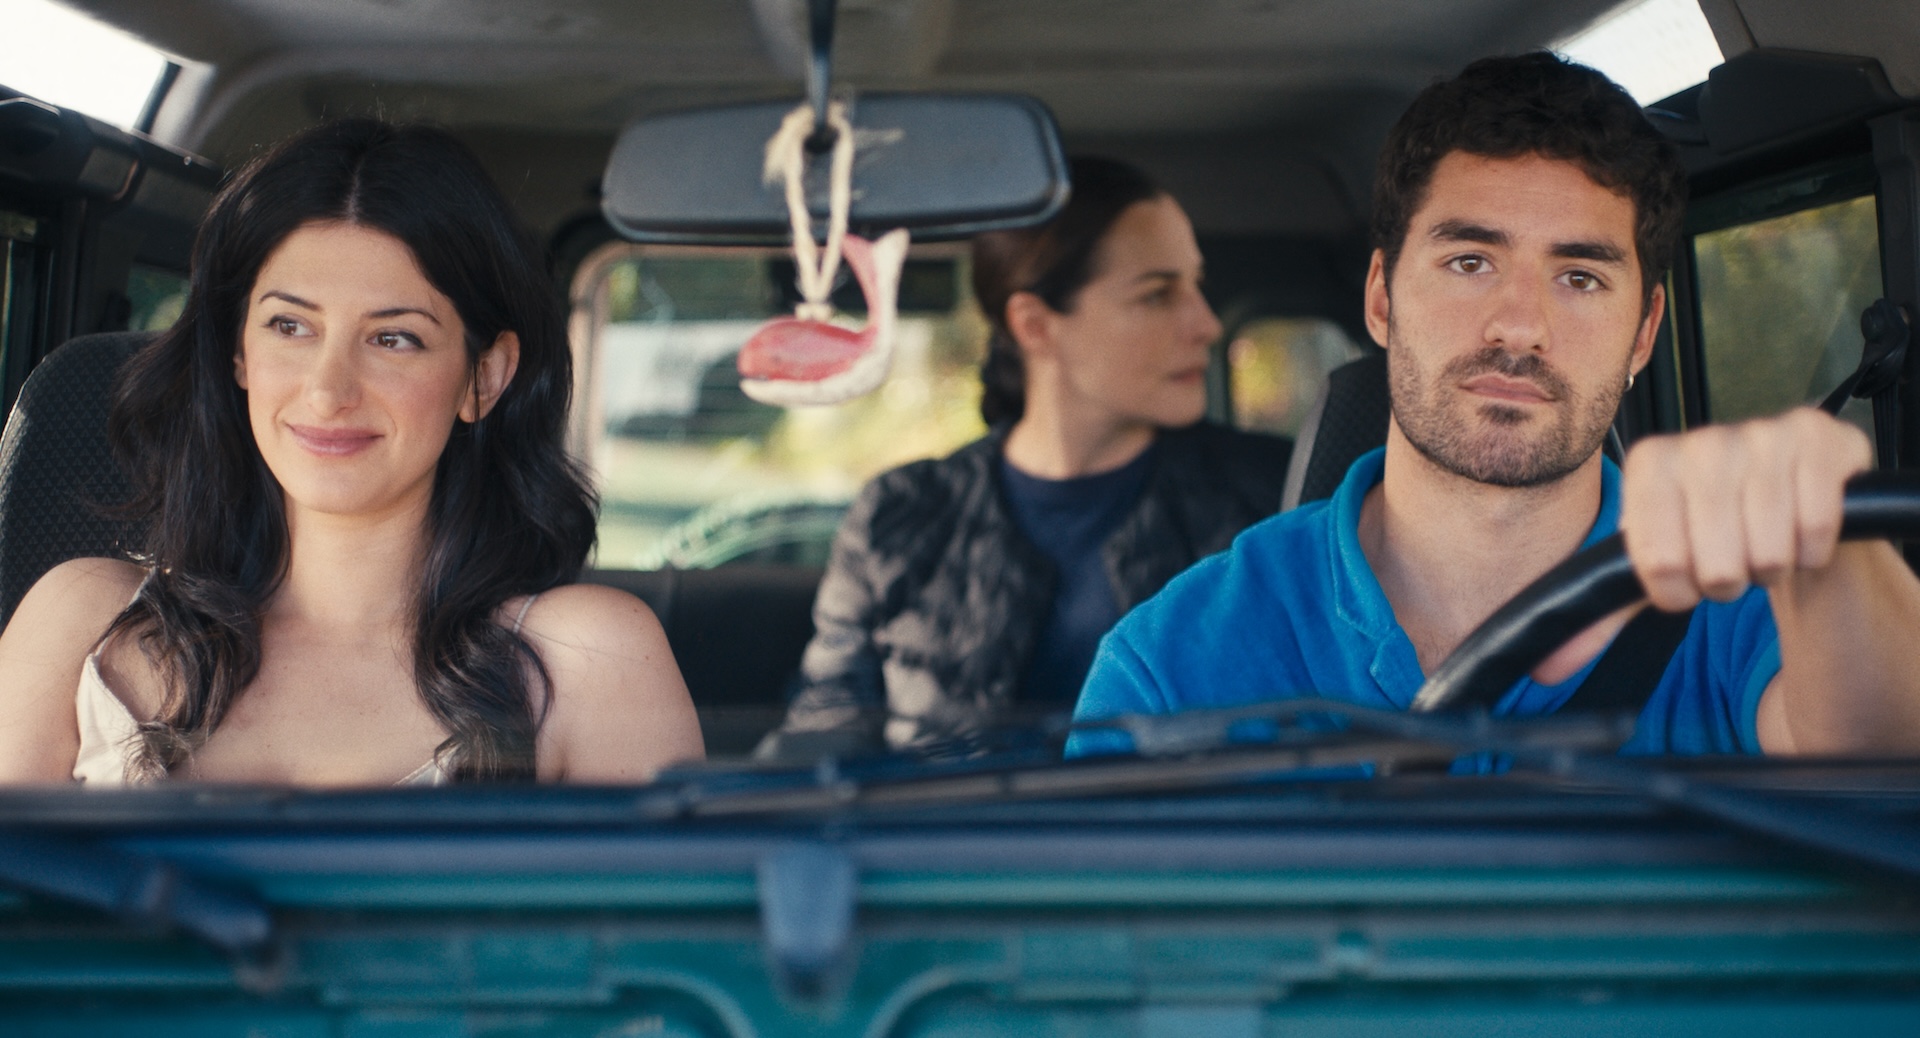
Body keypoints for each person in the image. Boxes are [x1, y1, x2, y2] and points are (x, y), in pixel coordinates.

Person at [1071, 53, 1920, 758]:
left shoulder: (1747, 603)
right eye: (1470, 262)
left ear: (1644, 333)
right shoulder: (1171, 668)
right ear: (1381, 298)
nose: (1521, 326)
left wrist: (1834, 545)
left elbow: (1883, 770)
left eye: (1579, 277)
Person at [0, 119, 704, 785]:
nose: (328, 391)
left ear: (484, 378)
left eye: (394, 338)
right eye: (289, 326)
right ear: (238, 350)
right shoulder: (81, 623)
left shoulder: (587, 660)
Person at [761, 157, 1292, 757]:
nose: (1207, 324)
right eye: (1157, 295)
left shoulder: (1274, 494)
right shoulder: (899, 514)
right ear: (1035, 326)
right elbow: (828, 722)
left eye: (1196, 286)